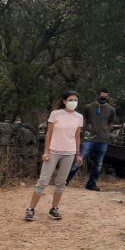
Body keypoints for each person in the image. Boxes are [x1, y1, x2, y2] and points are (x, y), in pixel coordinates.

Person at [25, 91, 84, 222]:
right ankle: (30, 209)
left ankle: (54, 208)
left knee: (61, 182)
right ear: (64, 101)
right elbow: (49, 134)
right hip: (54, 151)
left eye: (75, 100)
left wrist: (78, 154)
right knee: (43, 180)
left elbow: (77, 136)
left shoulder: (79, 117)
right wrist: (46, 151)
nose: (73, 102)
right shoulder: (55, 114)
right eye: (71, 99)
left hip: (70, 152)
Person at [66, 87, 115, 191]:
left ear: (108, 97)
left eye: (105, 97)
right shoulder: (89, 107)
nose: (103, 98)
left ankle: (91, 184)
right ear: (98, 95)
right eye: (102, 96)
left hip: (103, 140)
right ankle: (65, 181)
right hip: (89, 138)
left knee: (98, 164)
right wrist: (82, 132)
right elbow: (83, 120)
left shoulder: (111, 110)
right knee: (79, 160)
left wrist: (106, 131)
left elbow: (111, 123)